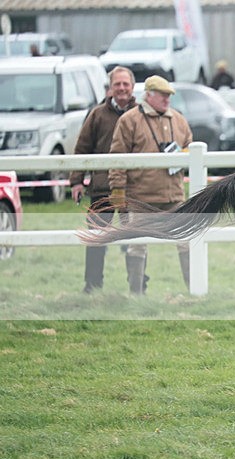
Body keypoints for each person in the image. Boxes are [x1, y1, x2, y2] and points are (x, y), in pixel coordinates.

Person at [108, 75, 194, 294]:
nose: (167, 99)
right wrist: (117, 189)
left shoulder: (179, 120)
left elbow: (191, 149)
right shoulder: (129, 120)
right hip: (141, 197)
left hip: (174, 195)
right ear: (149, 95)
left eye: (169, 95)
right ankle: (136, 293)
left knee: (187, 242)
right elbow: (117, 157)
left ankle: (194, 291)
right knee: (136, 244)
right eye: (163, 95)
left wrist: (184, 153)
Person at [69, 66, 137, 294]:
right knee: (96, 239)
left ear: (132, 87)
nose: (122, 88)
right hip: (101, 188)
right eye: (117, 84)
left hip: (132, 189)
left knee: (134, 241)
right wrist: (76, 181)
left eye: (125, 84)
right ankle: (92, 285)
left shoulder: (141, 114)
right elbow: (82, 149)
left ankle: (137, 288)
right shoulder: (97, 115)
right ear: (110, 88)